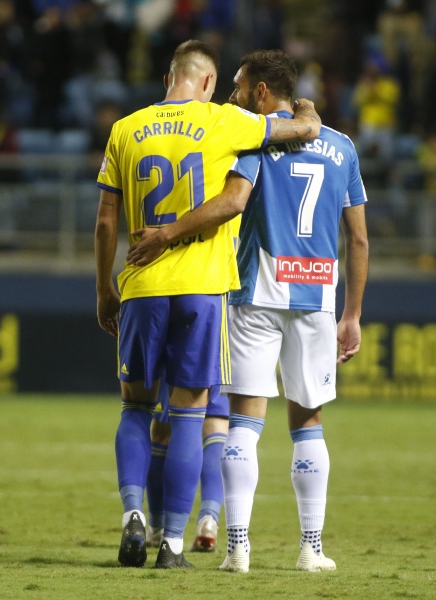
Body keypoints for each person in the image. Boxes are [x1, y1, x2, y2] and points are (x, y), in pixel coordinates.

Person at [127, 49, 369, 573]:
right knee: (309, 425)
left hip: (255, 293)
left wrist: (167, 233)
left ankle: (237, 548)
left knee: (242, 424)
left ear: (261, 91)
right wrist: (351, 315)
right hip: (315, 298)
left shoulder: (250, 139)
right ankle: (311, 550)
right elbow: (360, 240)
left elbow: (233, 202)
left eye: (238, 87)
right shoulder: (342, 146)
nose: (231, 96)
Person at [94, 40, 321, 570]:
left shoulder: (125, 129)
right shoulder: (223, 122)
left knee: (135, 407)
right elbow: (300, 129)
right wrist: (308, 109)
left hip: (141, 285)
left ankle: (133, 515)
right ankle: (173, 541)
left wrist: (106, 287)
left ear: (171, 76)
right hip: (202, 287)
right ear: (205, 83)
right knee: (192, 417)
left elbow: (107, 220)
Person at [144, 381, 228, 554]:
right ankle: (209, 519)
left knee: (166, 428)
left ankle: (157, 526)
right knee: (216, 424)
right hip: (224, 356)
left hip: (181, 358)